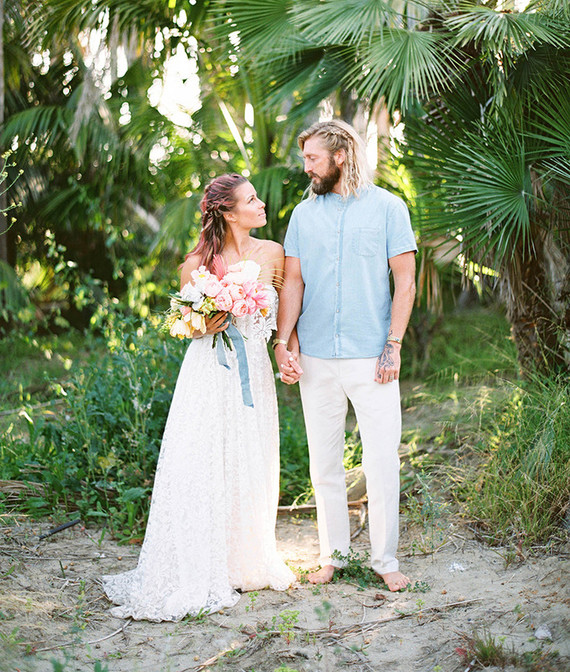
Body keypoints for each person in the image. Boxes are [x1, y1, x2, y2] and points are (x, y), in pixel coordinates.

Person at [102, 173, 295, 621]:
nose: (261, 204)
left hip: (254, 372)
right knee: (204, 459)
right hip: (209, 372)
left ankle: (245, 560)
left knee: (250, 456)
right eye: (251, 200)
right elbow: (179, 323)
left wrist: (286, 349)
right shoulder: (196, 263)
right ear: (228, 212)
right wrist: (200, 323)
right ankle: (199, 563)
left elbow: (284, 309)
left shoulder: (273, 253)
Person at [274, 120, 417, 591]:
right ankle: (332, 556)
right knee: (324, 465)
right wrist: (283, 341)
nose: (306, 167)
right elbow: (293, 283)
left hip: (372, 357)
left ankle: (385, 560)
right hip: (315, 357)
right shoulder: (302, 216)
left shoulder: (389, 208)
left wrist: (393, 345)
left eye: (313, 158)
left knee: (381, 461)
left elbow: (405, 282)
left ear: (340, 156)